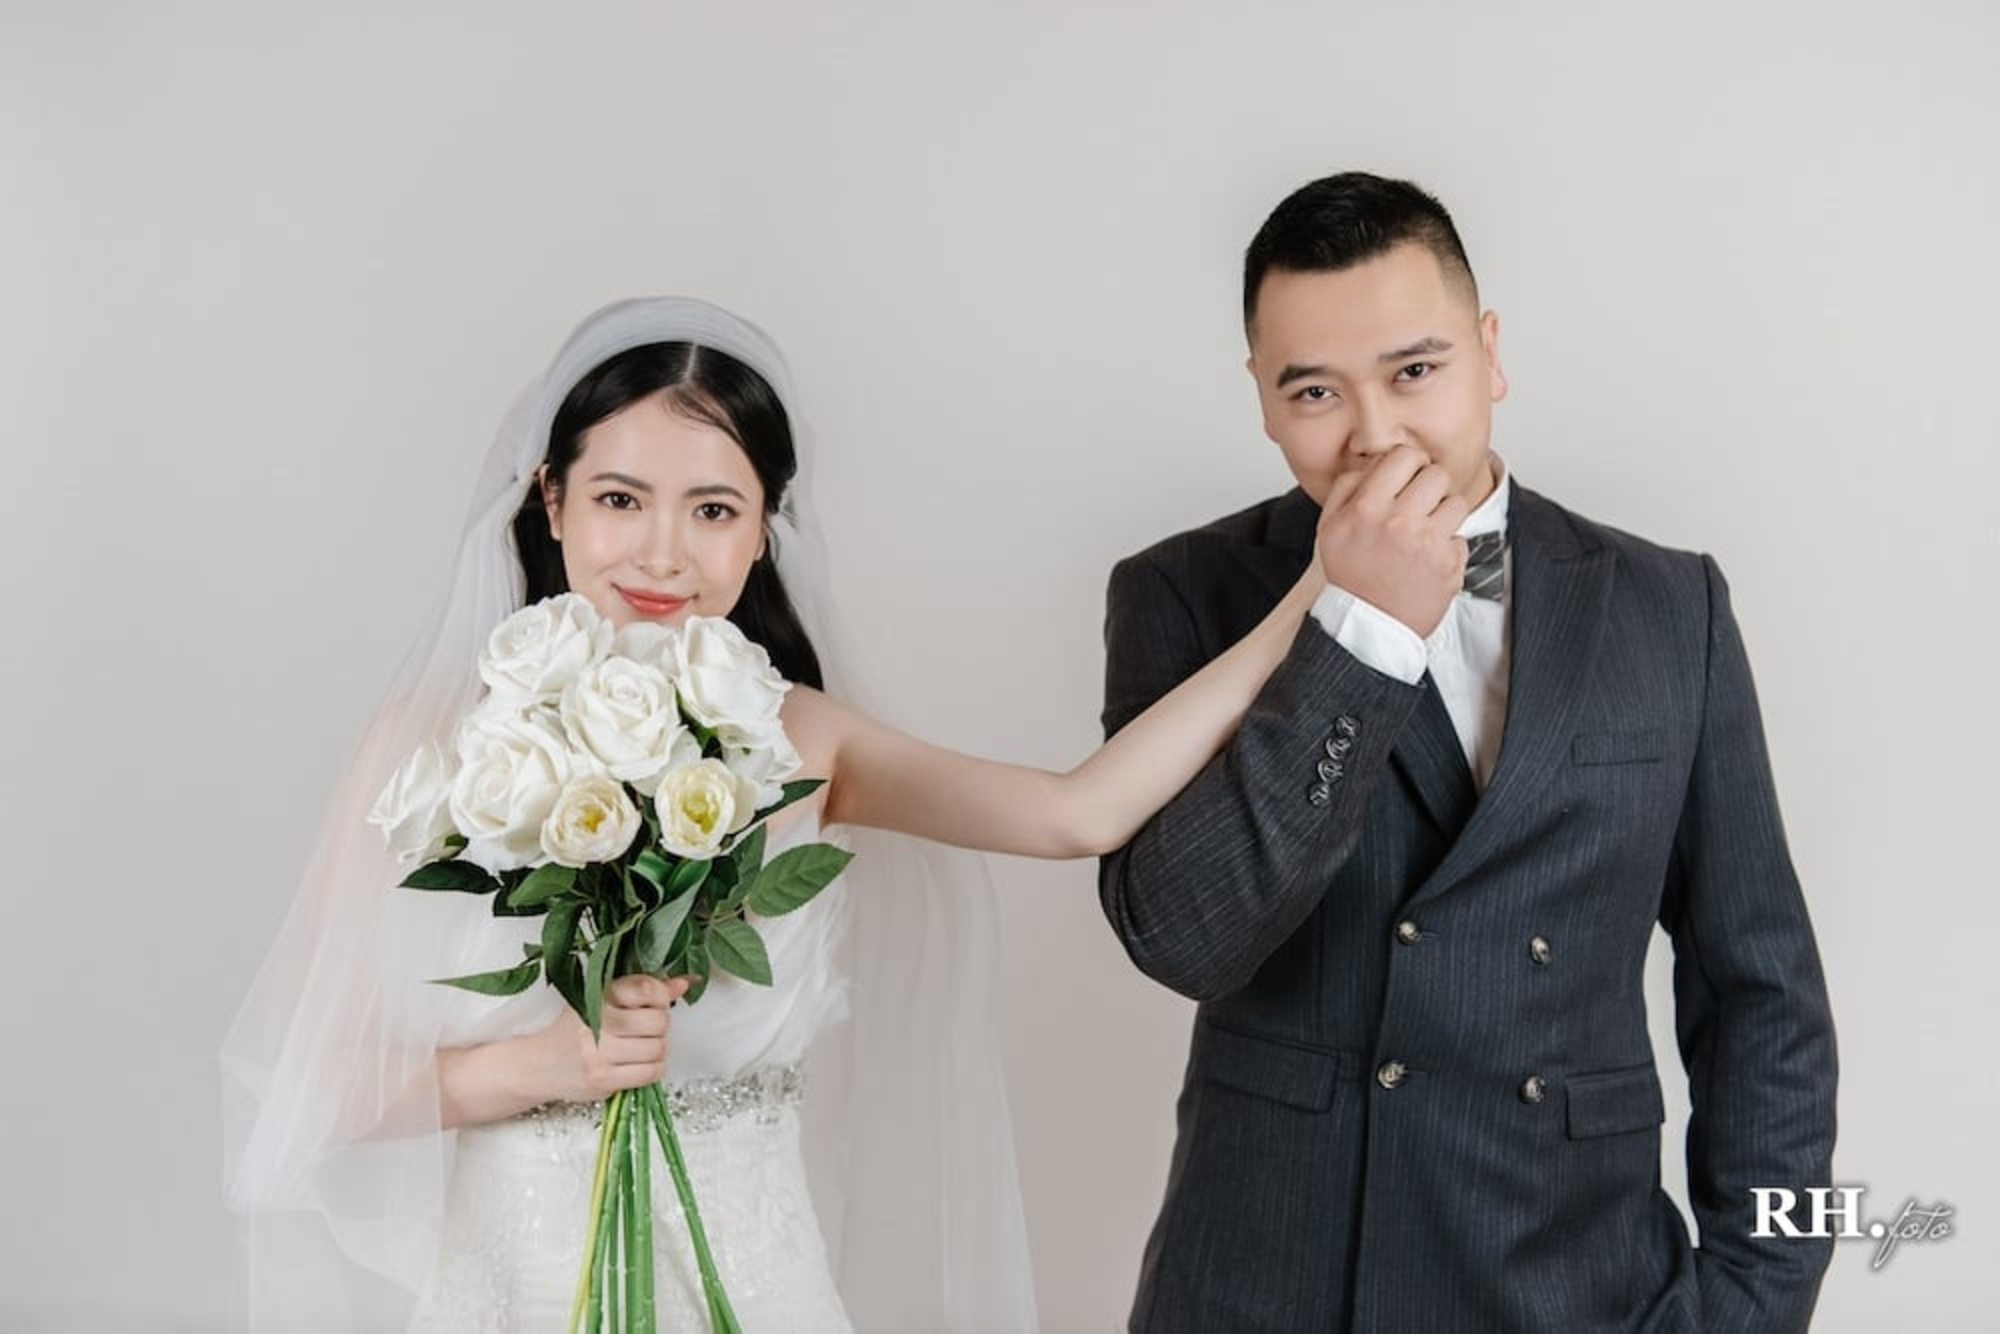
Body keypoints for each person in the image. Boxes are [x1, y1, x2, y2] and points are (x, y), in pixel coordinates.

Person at [222, 296, 1324, 1332]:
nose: (661, 552)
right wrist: (540, 1065)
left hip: (747, 1283)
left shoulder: (802, 740)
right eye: (618, 497)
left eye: (712, 509)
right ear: (549, 499)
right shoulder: (426, 746)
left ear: (762, 533)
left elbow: (1074, 812)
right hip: (513, 1289)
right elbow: (311, 1090)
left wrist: (1316, 600)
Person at [1098, 173, 1837, 1332]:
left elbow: (1765, 995)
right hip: (1268, 1278)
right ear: (1259, 398)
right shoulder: (1181, 594)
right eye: (1312, 390)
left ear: (1488, 353)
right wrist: (1361, 635)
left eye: (1414, 370)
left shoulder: (1667, 605)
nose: (1373, 433)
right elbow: (1183, 935)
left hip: (1579, 1282)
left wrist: (1757, 1299)